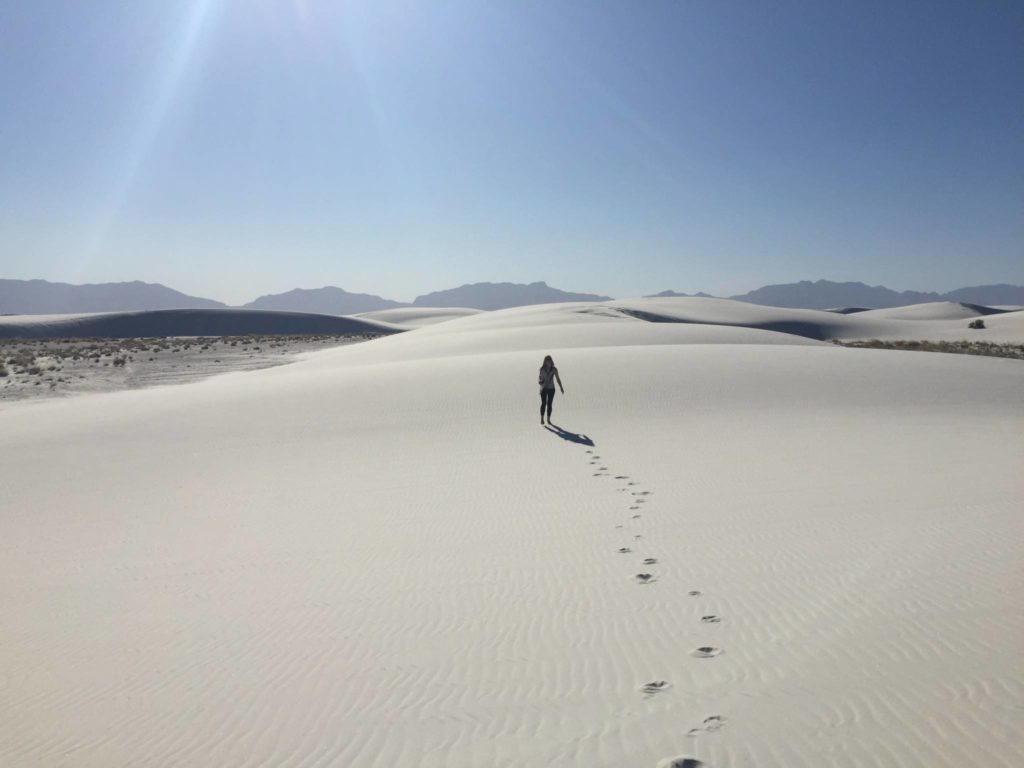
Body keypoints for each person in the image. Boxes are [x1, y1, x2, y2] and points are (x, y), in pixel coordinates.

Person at [538, 354, 564, 425]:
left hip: (551, 389)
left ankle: (548, 419)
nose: (548, 362)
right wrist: (541, 381)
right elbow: (540, 378)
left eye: (549, 360)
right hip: (543, 388)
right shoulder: (542, 369)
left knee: (549, 404)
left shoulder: (554, 369)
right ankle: (542, 419)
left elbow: (558, 379)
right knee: (543, 403)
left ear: (551, 361)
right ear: (545, 362)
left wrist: (561, 387)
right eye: (547, 361)